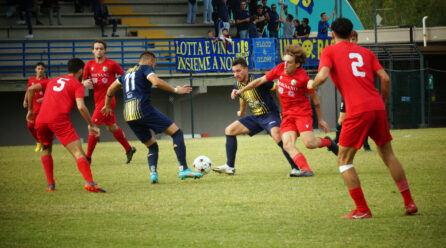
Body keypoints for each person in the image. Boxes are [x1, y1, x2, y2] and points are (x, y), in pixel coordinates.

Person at [307, 17, 417, 219]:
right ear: (352, 34)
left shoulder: (329, 51)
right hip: (376, 107)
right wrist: (382, 102)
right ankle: (409, 202)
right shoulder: (366, 53)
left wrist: (311, 85)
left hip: (357, 110)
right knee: (388, 155)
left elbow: (322, 77)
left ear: (332, 34)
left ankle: (362, 209)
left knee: (343, 159)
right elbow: (385, 78)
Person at [233, 44, 339, 177]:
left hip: (302, 113)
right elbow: (259, 81)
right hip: (288, 115)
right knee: (287, 145)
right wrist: (241, 90)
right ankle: (306, 170)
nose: (285, 64)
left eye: (289, 62)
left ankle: (329, 142)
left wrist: (321, 119)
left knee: (310, 143)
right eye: (284, 61)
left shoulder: (303, 78)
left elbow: (315, 99)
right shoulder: (280, 69)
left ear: (298, 64)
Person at [102, 51, 203, 184]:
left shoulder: (125, 74)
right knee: (177, 133)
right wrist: (176, 90)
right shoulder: (146, 68)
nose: (154, 67)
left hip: (128, 114)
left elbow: (110, 89)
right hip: (143, 109)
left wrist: (107, 106)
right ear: (151, 61)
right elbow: (156, 82)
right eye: (154, 65)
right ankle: (183, 169)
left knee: (152, 146)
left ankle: (153, 174)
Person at [26, 58, 106, 193]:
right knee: (78, 153)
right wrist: (92, 125)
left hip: (41, 120)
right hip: (59, 120)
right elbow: (81, 107)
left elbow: (31, 89)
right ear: (81, 71)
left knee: (46, 149)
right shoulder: (77, 84)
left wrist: (30, 111)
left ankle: (50, 185)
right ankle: (90, 183)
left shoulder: (52, 80)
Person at [212, 58, 302, 176]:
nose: (236, 74)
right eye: (234, 72)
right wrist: (242, 112)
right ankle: (230, 167)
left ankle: (296, 168)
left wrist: (284, 109)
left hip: (270, 115)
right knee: (230, 130)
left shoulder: (258, 79)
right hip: (256, 118)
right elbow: (243, 98)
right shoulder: (236, 84)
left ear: (246, 69)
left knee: (277, 136)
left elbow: (277, 89)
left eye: (238, 71)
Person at [82, 40, 136, 164]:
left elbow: (125, 77)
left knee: (92, 127)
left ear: (105, 50)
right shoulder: (89, 65)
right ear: (92, 51)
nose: (99, 51)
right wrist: (84, 83)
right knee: (112, 127)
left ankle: (88, 158)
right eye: (96, 48)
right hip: (97, 101)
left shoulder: (111, 64)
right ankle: (129, 149)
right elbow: (83, 80)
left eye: (101, 48)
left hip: (108, 101)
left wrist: (118, 86)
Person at [334, 31, 371, 152]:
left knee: (363, 119)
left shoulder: (362, 53)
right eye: (350, 39)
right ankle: (336, 139)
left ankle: (365, 144)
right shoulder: (342, 53)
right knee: (342, 118)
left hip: (361, 93)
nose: (352, 42)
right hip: (348, 93)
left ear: (357, 40)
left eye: (354, 39)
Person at [23, 62, 48, 152]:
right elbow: (28, 91)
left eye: (42, 69)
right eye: (38, 68)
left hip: (41, 108)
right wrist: (25, 100)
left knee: (39, 127)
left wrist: (42, 99)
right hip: (32, 107)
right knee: (30, 126)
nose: (40, 70)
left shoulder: (46, 81)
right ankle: (38, 141)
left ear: (44, 70)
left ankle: (43, 144)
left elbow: (48, 95)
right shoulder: (31, 80)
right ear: (35, 70)